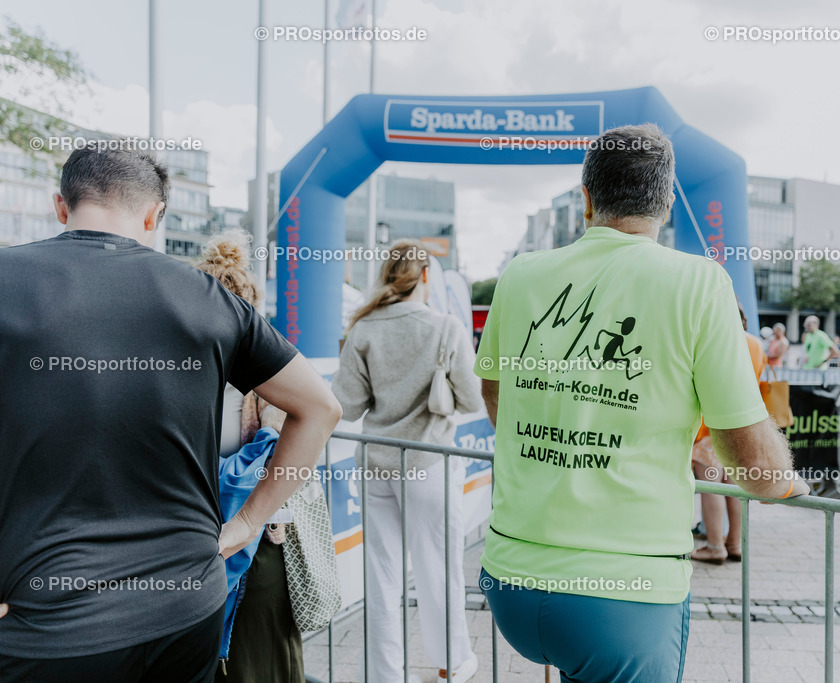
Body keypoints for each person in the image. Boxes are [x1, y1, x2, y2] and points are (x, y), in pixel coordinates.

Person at [473, 123, 809, 682]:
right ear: (667, 203)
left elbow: (494, 391)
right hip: (623, 594)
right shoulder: (700, 282)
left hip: (510, 578)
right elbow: (751, 458)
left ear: (585, 199)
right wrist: (785, 483)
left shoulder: (522, 274)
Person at [0, 148, 343, 682]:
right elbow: (321, 407)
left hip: (47, 621)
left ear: (60, 207)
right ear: (154, 216)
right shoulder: (210, 300)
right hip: (186, 611)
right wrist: (247, 523)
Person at [333, 239, 482, 683]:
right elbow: (473, 399)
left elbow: (349, 405)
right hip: (429, 464)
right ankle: (451, 663)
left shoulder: (363, 328)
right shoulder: (446, 327)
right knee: (438, 568)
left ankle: (384, 674)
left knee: (380, 575)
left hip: (376, 463)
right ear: (424, 276)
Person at [198, 232, 308, 683]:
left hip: (229, 538)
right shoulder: (275, 375)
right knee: (258, 662)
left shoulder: (182, 370)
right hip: (253, 539)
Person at [691, 303, 769, 564]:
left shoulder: (718, 342)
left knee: (710, 484)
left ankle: (715, 546)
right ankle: (735, 543)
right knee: (733, 485)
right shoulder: (756, 344)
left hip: (712, 425)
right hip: (745, 425)